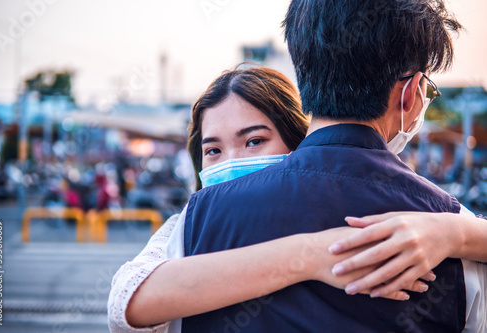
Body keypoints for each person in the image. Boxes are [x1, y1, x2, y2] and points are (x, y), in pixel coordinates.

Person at [174, 0, 486, 332]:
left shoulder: (195, 223)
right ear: (411, 94)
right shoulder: (451, 233)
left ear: (304, 74)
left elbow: (129, 307)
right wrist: (460, 229)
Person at [108, 66, 431, 333]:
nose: (231, 161)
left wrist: (458, 233)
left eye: (254, 141)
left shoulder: (346, 211)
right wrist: (310, 256)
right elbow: (125, 305)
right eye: (213, 151)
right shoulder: (188, 226)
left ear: (296, 140)